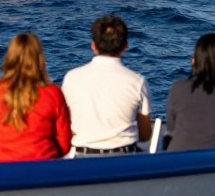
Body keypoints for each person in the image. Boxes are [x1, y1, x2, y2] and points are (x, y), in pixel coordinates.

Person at [61, 14, 152, 156]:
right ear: (125, 46)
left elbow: (65, 125)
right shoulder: (137, 81)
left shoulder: (71, 78)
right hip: (124, 158)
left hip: (81, 159)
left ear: (93, 46)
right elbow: (145, 135)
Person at [0, 33, 71, 162]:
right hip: (42, 169)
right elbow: (64, 143)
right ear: (40, 59)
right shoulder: (53, 93)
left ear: (10, 57)